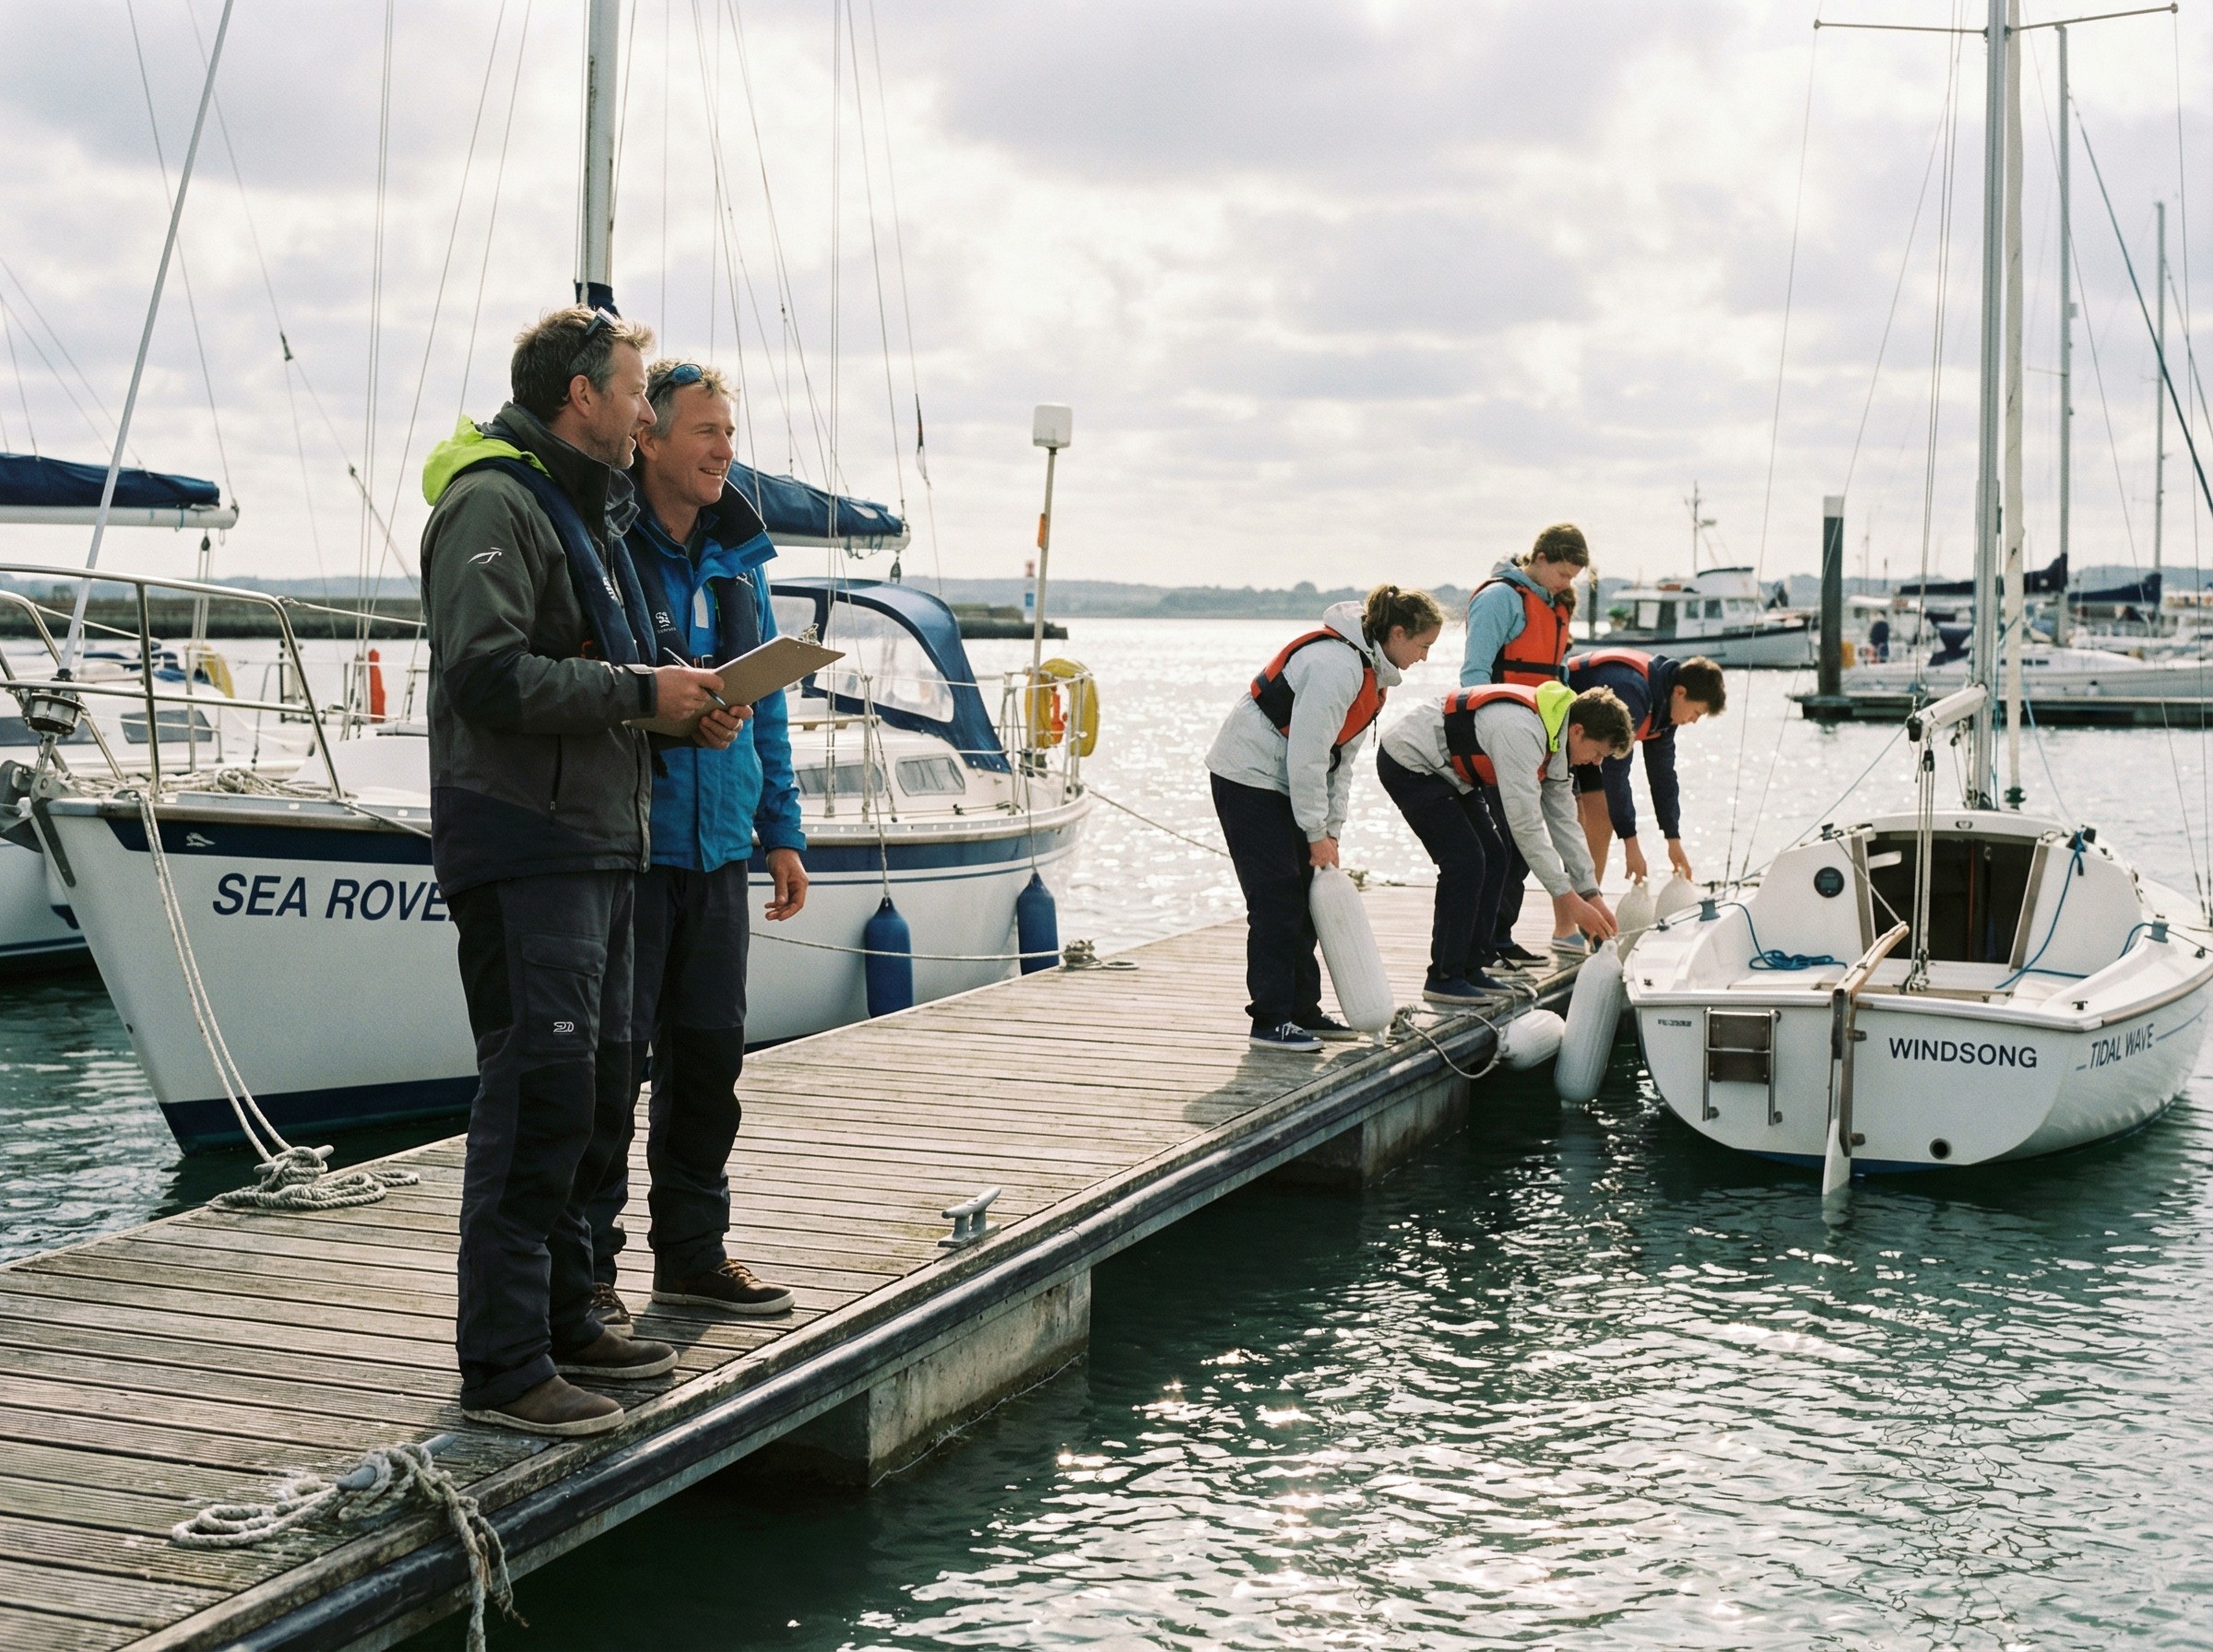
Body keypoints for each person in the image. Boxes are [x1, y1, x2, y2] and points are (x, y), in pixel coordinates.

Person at [420, 305, 740, 1438]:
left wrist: (672, 710)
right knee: (537, 1095)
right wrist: (637, 693)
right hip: (525, 844)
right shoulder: (494, 502)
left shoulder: (580, 512)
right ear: (580, 396)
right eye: (637, 390)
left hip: (598, 842)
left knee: (600, 1089)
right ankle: (505, 1370)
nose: (649, 413)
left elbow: (589, 678)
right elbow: (488, 675)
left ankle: (564, 1318)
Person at [585, 360, 807, 1328]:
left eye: (729, 431)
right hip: (633, 850)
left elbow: (768, 714)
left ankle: (693, 1256)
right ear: (650, 438)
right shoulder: (606, 545)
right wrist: (676, 721)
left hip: (719, 855)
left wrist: (782, 835)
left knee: (709, 1068)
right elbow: (593, 689)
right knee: (607, 1074)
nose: (724, 448)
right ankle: (589, 1271)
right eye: (706, 430)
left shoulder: (740, 561)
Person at [1207, 585, 1445, 1051]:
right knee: (1276, 898)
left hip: (1286, 781)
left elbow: (1342, 761)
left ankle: (1302, 1009)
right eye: (1423, 645)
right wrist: (1314, 831)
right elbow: (1308, 757)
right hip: (1247, 777)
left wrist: (1330, 832)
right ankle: (1269, 1020)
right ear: (1397, 633)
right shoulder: (1335, 667)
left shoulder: (1373, 676)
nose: (1423, 657)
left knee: (1307, 893)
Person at [1377, 681, 1629, 1002]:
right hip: (1409, 761)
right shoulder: (1522, 732)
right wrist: (1567, 899)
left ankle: (1472, 966)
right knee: (1465, 862)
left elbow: (1565, 826)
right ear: (1577, 731)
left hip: (1450, 774)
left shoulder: (1559, 744)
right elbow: (1527, 827)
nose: (1596, 763)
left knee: (1496, 855)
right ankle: (1443, 977)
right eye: (1597, 753)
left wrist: (1591, 893)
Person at [1460, 524, 1589, 972]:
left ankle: (1500, 936)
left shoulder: (1553, 605)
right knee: (1504, 844)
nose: (1567, 584)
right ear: (1541, 558)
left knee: (1521, 847)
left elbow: (1556, 673)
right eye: (1564, 573)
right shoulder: (1500, 599)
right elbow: (1475, 673)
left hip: (1541, 736)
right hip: (1501, 740)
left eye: (1573, 577)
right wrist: (1488, 738)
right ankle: (1483, 942)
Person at [1564, 649, 1725, 886]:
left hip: (1593, 747)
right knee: (1587, 817)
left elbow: (1663, 778)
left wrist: (1673, 839)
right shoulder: (1632, 694)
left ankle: (1588, 904)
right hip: (1572, 735)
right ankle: (1570, 918)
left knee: (1601, 817)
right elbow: (1616, 773)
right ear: (1680, 692)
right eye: (1696, 713)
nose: (1693, 721)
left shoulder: (1666, 713)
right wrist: (1631, 843)